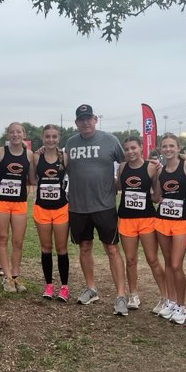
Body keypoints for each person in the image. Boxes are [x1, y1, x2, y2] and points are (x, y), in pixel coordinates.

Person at [64, 104, 128, 316]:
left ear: (95, 119)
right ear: (76, 122)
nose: (85, 122)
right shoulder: (71, 143)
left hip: (104, 205)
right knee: (84, 247)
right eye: (81, 119)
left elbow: (126, 162)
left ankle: (120, 295)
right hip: (78, 206)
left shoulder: (110, 140)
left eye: (88, 118)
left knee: (111, 249)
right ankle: (91, 288)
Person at [115, 136, 166, 312]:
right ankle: (133, 295)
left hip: (147, 218)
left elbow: (157, 196)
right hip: (127, 219)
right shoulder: (122, 167)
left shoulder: (151, 167)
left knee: (152, 259)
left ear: (141, 147)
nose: (130, 152)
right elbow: (119, 188)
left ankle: (165, 296)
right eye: (127, 149)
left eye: (133, 148)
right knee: (130, 260)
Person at [153, 133, 186, 325]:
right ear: (161, 149)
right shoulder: (161, 172)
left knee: (177, 264)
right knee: (168, 263)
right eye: (164, 146)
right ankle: (170, 301)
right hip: (163, 219)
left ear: (178, 147)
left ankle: (181, 305)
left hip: (182, 221)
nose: (168, 149)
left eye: (171, 146)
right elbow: (157, 196)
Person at [0, 122, 36, 293]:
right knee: (3, 238)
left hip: (19, 202)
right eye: (12, 132)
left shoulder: (30, 154)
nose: (15, 135)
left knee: (18, 241)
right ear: (8, 134)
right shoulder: (0, 151)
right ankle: (7, 276)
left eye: (19, 132)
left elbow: (32, 179)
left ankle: (16, 276)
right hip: (0, 201)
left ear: (23, 134)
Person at [33, 125, 71, 301]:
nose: (51, 140)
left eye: (54, 137)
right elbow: (32, 179)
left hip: (61, 208)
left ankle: (64, 287)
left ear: (58, 138)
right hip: (41, 208)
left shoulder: (64, 157)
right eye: (47, 136)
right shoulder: (36, 156)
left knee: (61, 249)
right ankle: (48, 285)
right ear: (42, 138)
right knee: (46, 248)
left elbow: (72, 176)